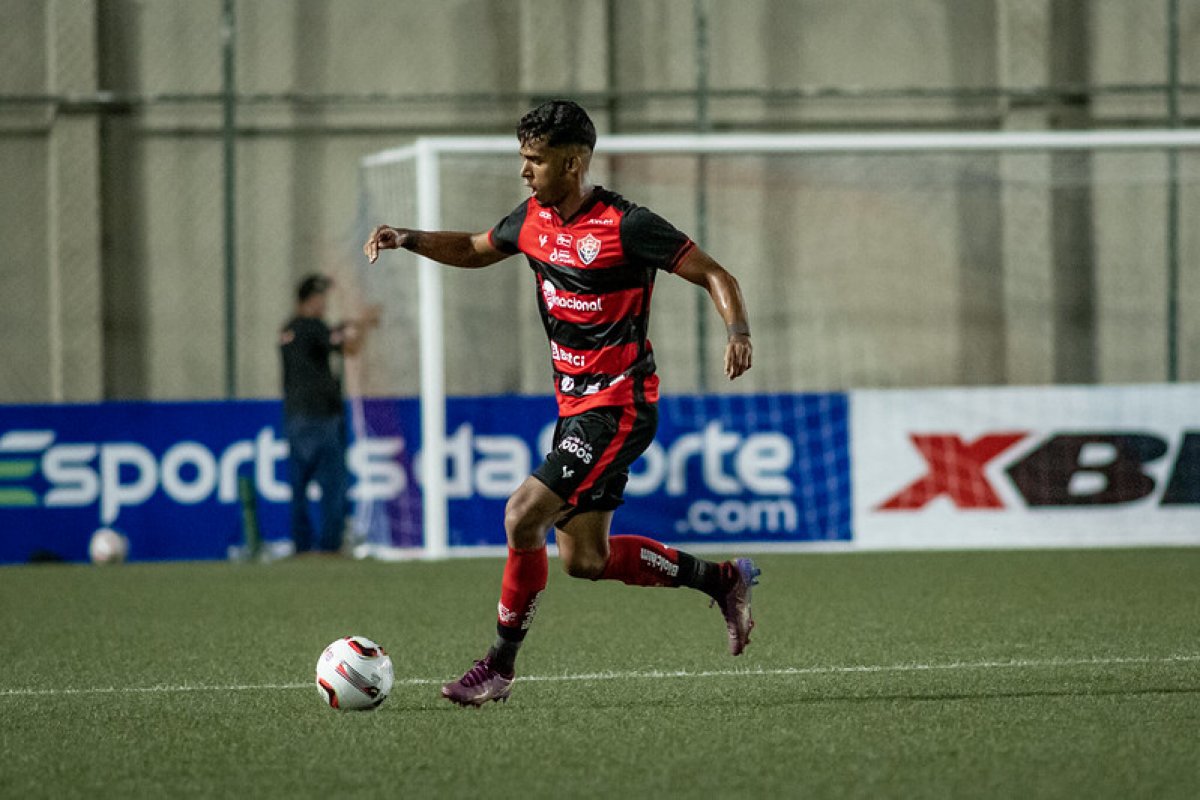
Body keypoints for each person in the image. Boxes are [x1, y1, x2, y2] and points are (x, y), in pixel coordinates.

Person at [364, 99, 758, 707]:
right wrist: (408, 237)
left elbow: (716, 274)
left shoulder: (627, 225)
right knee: (585, 559)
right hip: (576, 412)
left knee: (523, 514)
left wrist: (737, 334)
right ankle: (721, 580)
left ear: (573, 164)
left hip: (620, 405)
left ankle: (497, 667)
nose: (525, 171)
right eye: (523, 158)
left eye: (535, 160)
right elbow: (474, 247)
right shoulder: (532, 219)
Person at [278, 274, 370, 556]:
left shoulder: (289, 329)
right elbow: (347, 346)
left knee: (299, 486)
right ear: (310, 300)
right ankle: (331, 545)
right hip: (320, 418)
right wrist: (362, 325)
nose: (324, 306)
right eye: (321, 301)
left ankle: (301, 545)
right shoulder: (311, 326)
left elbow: (330, 338)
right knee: (333, 484)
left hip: (295, 417)